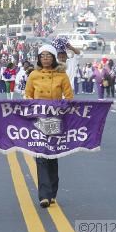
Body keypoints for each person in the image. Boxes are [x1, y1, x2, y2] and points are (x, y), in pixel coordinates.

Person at [25, 44, 73, 208]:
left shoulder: (62, 75)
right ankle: (44, 195)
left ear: (53, 58)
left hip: (56, 119)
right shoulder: (33, 75)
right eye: (42, 56)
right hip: (39, 119)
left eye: (48, 56)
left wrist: (61, 106)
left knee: (52, 155)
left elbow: (69, 97)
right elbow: (28, 96)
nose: (45, 58)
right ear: (39, 58)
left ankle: (52, 192)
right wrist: (34, 106)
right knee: (40, 155)